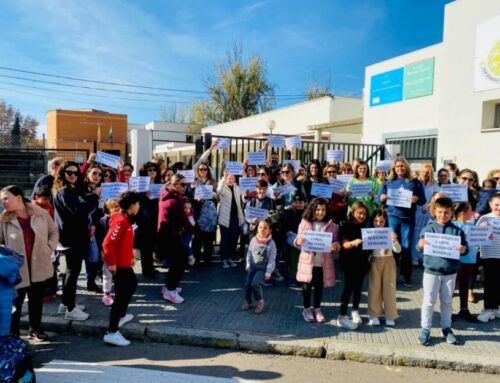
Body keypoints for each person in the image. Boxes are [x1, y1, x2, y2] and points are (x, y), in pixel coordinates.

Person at [0, 185, 58, 341]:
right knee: (15, 303)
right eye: (1, 200)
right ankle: (13, 333)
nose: (3, 202)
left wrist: (49, 248)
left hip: (38, 265)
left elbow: (54, 231)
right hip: (17, 270)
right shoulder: (3, 219)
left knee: (36, 300)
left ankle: (35, 329)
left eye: (6, 198)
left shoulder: (40, 213)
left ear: (18, 197)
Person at [416, 197, 467, 346]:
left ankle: (446, 328)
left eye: (446, 212)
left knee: (447, 302)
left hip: (450, 272)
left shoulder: (457, 231)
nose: (443, 215)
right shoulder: (428, 229)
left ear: (451, 213)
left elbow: (465, 247)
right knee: (428, 302)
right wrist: (420, 245)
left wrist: (464, 250)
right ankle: (425, 328)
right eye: (440, 212)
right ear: (434, 212)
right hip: (431, 271)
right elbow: (418, 247)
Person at [53, 161, 99, 321]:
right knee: (73, 272)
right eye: (69, 172)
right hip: (72, 238)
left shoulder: (71, 190)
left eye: (76, 173)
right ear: (62, 174)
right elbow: (79, 210)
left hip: (74, 236)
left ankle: (66, 304)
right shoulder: (64, 192)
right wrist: (94, 196)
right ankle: (70, 309)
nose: (73, 175)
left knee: (71, 272)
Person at [379, 155, 426, 287]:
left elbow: (423, 199)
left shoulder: (415, 182)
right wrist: (382, 197)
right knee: (393, 247)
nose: (400, 168)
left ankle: (407, 276)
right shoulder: (388, 181)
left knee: (406, 247)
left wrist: (417, 199)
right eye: (398, 166)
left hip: (408, 219)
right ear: (394, 168)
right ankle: (391, 275)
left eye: (402, 166)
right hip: (393, 218)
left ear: (406, 166)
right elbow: (378, 199)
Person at [102, 192, 140, 347]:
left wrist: (130, 254)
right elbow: (108, 244)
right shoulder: (121, 220)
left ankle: (122, 316)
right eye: (138, 204)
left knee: (132, 285)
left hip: (125, 263)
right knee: (120, 298)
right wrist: (111, 263)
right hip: (119, 266)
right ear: (132, 206)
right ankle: (112, 332)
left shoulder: (125, 220)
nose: (139, 207)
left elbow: (123, 241)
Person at [295, 198, 340, 323]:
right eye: (318, 209)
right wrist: (298, 241)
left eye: (323, 210)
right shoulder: (305, 222)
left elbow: (336, 241)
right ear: (313, 210)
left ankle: (317, 309)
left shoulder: (331, 225)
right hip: (308, 261)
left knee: (319, 286)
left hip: (322, 262)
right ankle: (306, 309)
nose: (320, 212)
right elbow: (298, 237)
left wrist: (335, 246)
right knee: (306, 287)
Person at [157, 174, 194, 304]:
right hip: (169, 235)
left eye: (186, 184)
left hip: (166, 234)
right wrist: (193, 231)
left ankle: (168, 287)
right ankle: (170, 291)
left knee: (176, 262)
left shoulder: (165, 194)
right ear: (174, 185)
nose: (185, 187)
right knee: (180, 261)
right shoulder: (176, 199)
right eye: (182, 184)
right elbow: (184, 218)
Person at [337, 201, 370, 330]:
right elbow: (344, 244)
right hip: (349, 261)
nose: (362, 216)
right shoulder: (345, 224)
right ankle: (342, 316)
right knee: (348, 287)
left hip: (362, 260)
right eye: (359, 213)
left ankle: (355, 310)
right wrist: (353, 242)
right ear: (353, 212)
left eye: (364, 214)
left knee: (359, 286)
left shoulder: (366, 225)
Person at [367, 208, 401, 327]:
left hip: (388, 262)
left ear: (385, 221)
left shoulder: (389, 233)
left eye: (381, 221)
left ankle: (390, 315)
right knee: (374, 288)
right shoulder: (370, 233)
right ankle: (374, 314)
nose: (378, 224)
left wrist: (395, 240)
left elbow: (398, 250)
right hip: (375, 262)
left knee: (389, 289)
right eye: (376, 221)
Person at [242, 219, 277, 315]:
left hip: (262, 269)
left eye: (265, 228)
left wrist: (268, 272)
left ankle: (260, 302)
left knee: (254, 284)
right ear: (257, 229)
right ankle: (249, 302)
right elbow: (249, 253)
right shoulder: (253, 240)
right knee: (247, 285)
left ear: (270, 230)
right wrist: (248, 263)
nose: (262, 229)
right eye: (260, 227)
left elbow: (272, 259)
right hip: (252, 267)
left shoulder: (271, 243)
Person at [476, 192, 500, 323]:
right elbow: (476, 237)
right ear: (490, 204)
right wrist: (483, 231)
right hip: (489, 255)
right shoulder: (484, 218)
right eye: (496, 205)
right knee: (490, 282)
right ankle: (487, 308)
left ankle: (496, 308)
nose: (499, 208)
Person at [452, 202, 478, 322]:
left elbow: (481, 238)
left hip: (470, 259)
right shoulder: (453, 226)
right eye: (470, 210)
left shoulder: (472, 226)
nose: (472, 213)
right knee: (452, 286)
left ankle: (464, 309)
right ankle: (447, 311)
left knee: (464, 285)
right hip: (456, 260)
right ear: (463, 213)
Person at [412, 164, 440, 266]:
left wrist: (427, 207)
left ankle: (423, 257)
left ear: (431, 173)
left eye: (428, 172)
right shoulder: (416, 182)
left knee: (427, 235)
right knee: (415, 235)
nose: (425, 174)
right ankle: (414, 257)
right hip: (416, 211)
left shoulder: (435, 184)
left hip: (428, 212)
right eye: (424, 171)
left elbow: (435, 198)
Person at [217, 169, 245, 268]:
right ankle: (223, 259)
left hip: (235, 217)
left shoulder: (237, 188)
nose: (230, 180)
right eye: (229, 178)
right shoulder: (223, 187)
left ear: (235, 180)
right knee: (225, 239)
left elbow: (244, 195)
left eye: (232, 178)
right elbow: (219, 190)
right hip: (225, 218)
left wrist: (244, 177)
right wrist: (224, 178)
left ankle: (229, 258)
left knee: (233, 239)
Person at [96, 198, 121, 307]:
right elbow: (100, 239)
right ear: (108, 209)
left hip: (119, 251)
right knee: (107, 273)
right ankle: (106, 294)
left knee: (119, 273)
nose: (118, 208)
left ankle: (119, 292)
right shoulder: (102, 221)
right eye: (115, 206)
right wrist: (101, 251)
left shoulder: (121, 219)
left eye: (118, 206)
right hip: (108, 252)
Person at [182, 197, 196, 267]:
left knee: (185, 245)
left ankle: (191, 256)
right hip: (182, 232)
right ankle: (185, 261)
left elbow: (193, 224)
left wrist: (193, 233)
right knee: (182, 246)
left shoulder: (190, 215)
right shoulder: (180, 214)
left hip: (188, 232)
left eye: (189, 208)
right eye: (185, 208)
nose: (187, 210)